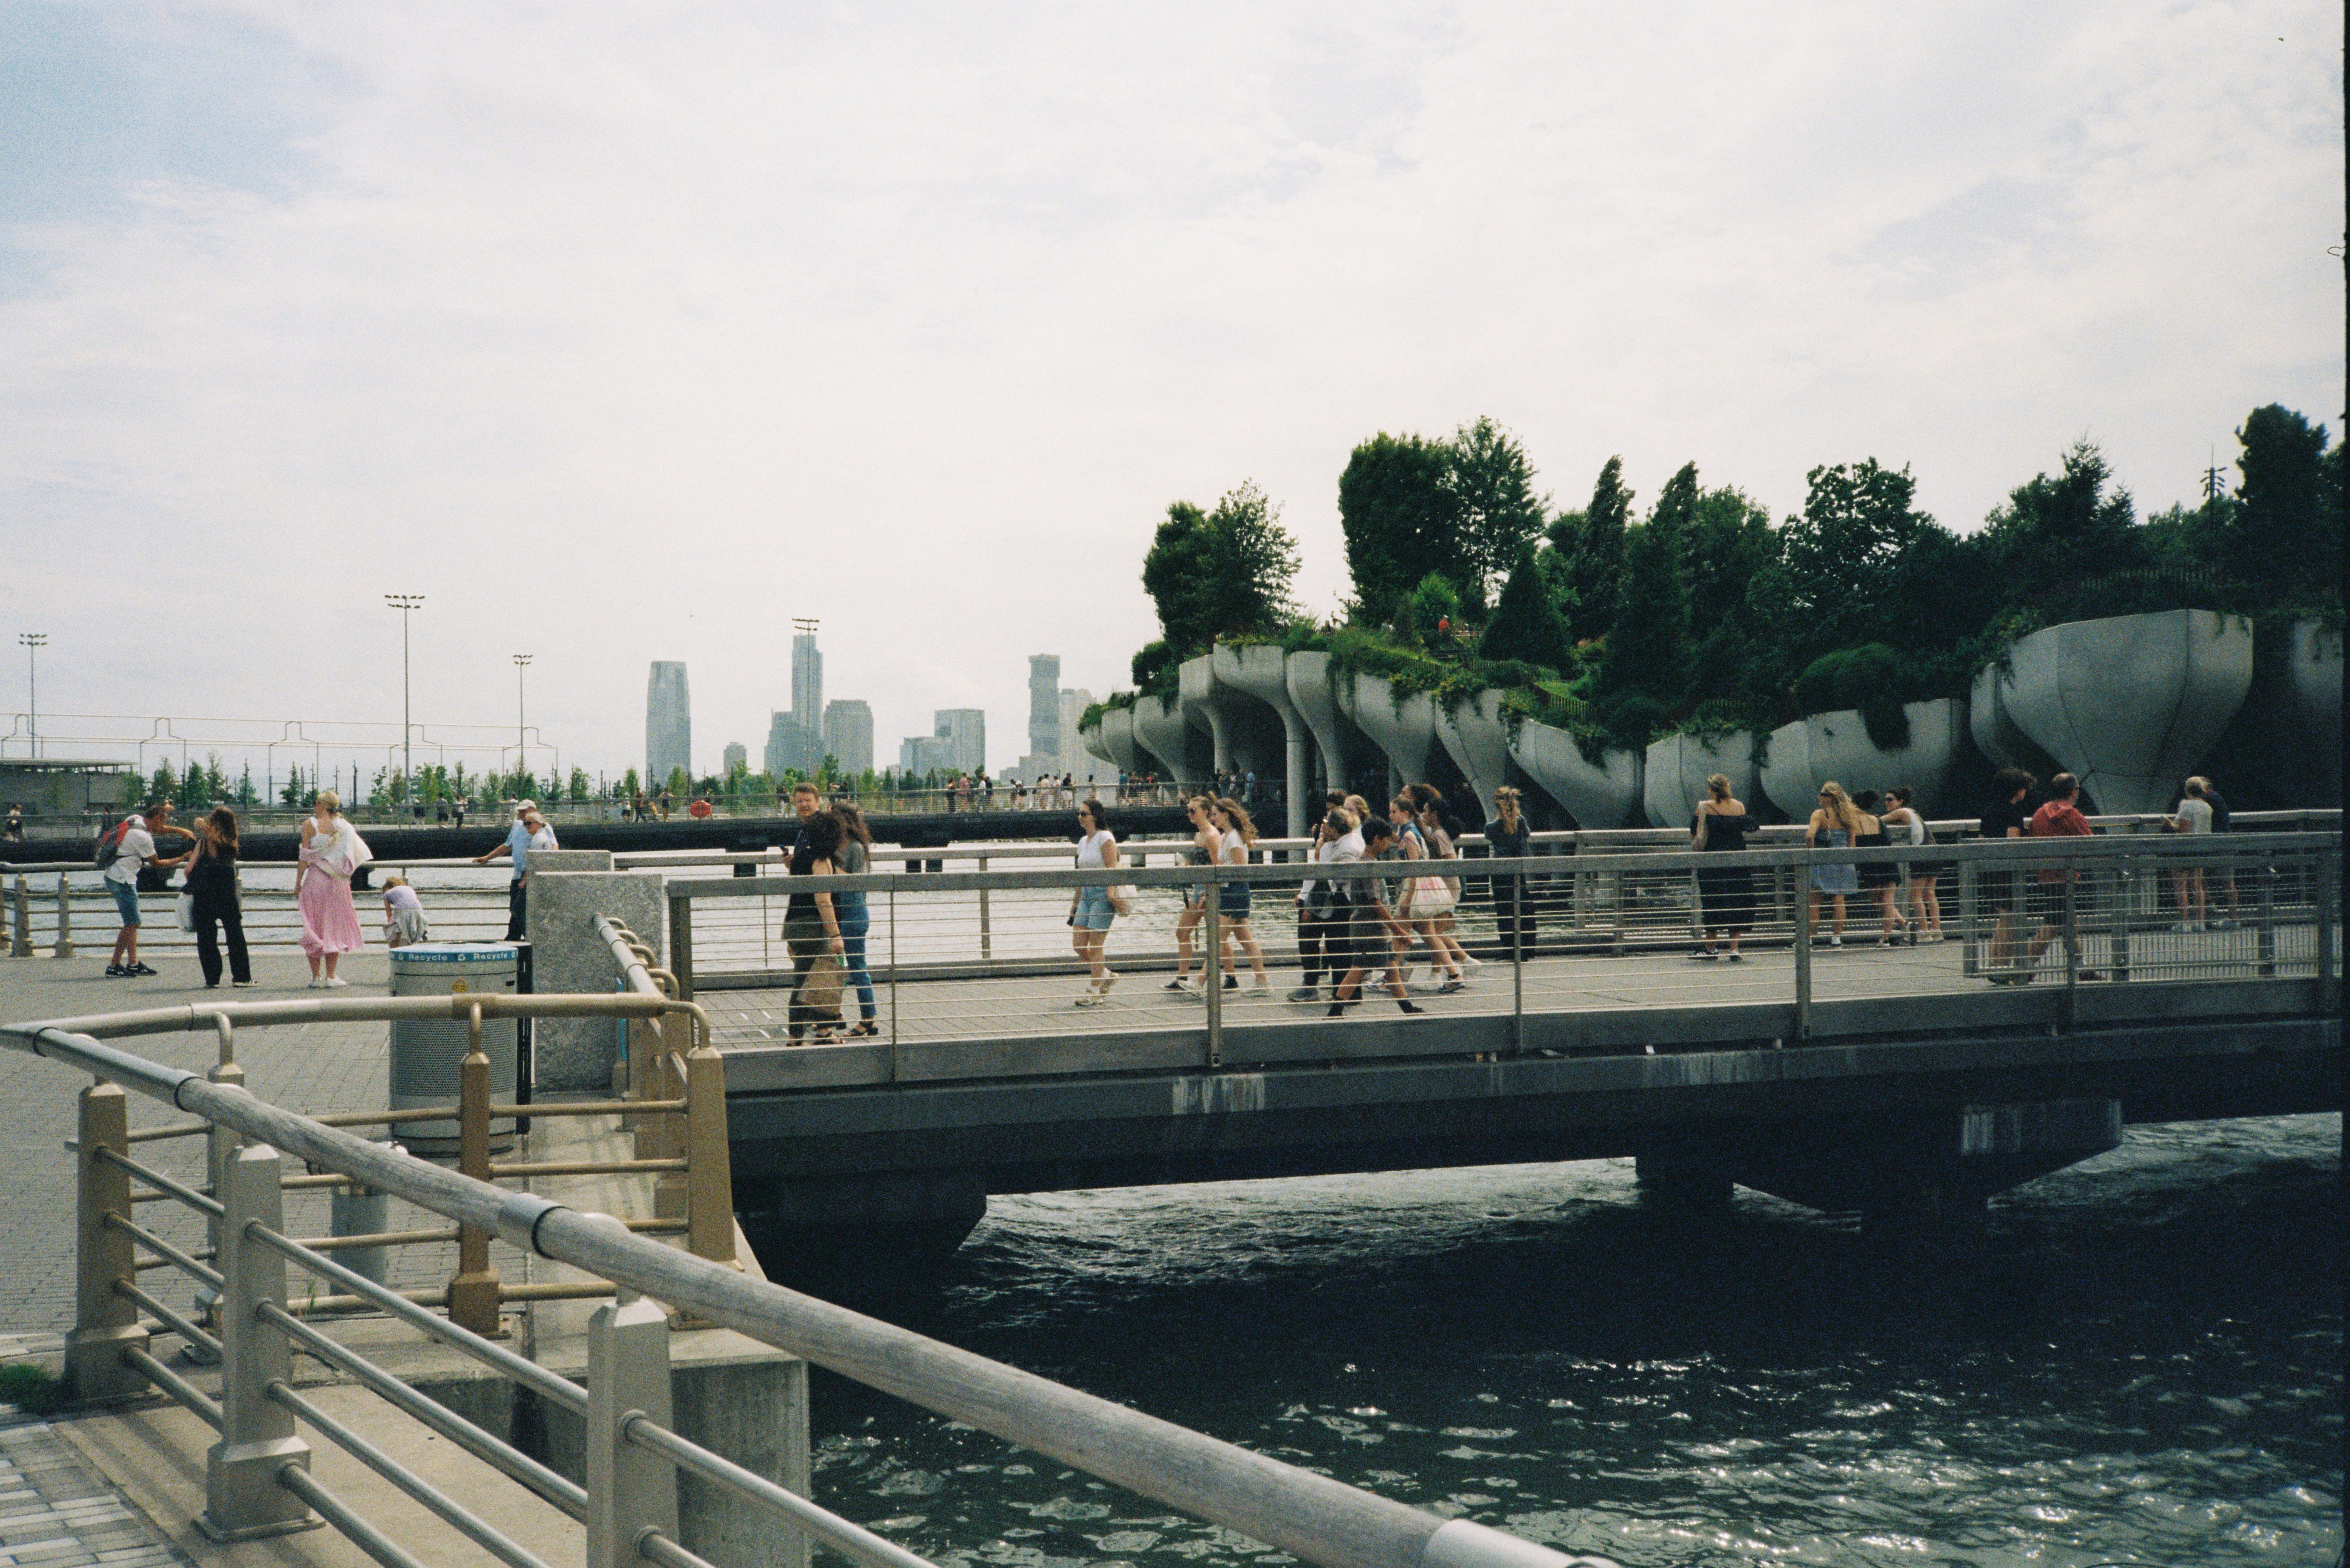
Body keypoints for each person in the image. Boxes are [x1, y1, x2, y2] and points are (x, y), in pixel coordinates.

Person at [1326, 817, 1424, 1016]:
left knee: (1390, 968)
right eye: (1386, 840)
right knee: (1360, 969)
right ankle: (1335, 1011)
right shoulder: (1368, 866)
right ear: (1377, 839)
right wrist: (1398, 931)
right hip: (1370, 928)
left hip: (1374, 929)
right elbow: (1376, 903)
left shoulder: (1368, 862)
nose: (1388, 844)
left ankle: (1408, 1008)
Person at [2021, 772, 2101, 981]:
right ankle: (2025, 965)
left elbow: (2032, 841)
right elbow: (2091, 843)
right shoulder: (2073, 815)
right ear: (2073, 792)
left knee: (2068, 921)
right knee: (2054, 923)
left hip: (2045, 875)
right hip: (2066, 876)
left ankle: (2081, 967)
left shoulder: (2039, 814)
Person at [781, 806, 847, 1042]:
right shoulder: (820, 861)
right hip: (814, 927)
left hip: (796, 924)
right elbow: (823, 900)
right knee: (814, 980)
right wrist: (836, 936)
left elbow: (795, 895)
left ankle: (820, 1031)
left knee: (810, 977)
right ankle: (798, 1037)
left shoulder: (800, 859)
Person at [295, 791, 369, 987]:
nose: (314, 806)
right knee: (333, 926)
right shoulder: (345, 827)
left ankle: (315, 978)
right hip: (336, 882)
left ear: (321, 805)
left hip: (315, 880)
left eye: (316, 803)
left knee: (313, 926)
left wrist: (298, 883)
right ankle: (331, 977)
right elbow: (353, 856)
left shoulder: (309, 825)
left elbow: (304, 857)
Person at [1407, 786, 1472, 989]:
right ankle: (1459, 965)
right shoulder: (1435, 833)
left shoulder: (1440, 835)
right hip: (1443, 889)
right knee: (1433, 932)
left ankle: (1453, 969)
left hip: (1447, 889)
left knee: (1433, 933)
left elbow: (1450, 861)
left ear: (1434, 815)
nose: (1423, 814)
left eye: (1426, 811)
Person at [1208, 797, 1272, 993]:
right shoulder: (1226, 836)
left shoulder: (1234, 838)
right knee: (1246, 941)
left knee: (1217, 939)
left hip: (1235, 892)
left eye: (1216, 815)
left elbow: (1240, 869)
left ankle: (1200, 981)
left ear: (1226, 815)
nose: (1213, 819)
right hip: (1228, 891)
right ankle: (1263, 983)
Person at [184, 806, 253, 987]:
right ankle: (241, 977)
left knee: (206, 936)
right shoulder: (231, 842)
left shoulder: (204, 843)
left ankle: (212, 978)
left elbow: (189, 870)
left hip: (203, 892)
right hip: (226, 891)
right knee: (234, 933)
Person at [1689, 774, 1754, 961]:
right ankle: (1734, 949)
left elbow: (1695, 833)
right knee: (1737, 901)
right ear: (1728, 788)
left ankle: (1711, 948)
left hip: (1712, 863)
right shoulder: (1739, 807)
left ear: (1711, 789)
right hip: (1738, 862)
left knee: (1713, 902)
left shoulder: (1705, 807)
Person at [1978, 768, 2035, 976]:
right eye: (2024, 788)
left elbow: (1982, 841)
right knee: (2011, 921)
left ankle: (1995, 963)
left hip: (1990, 870)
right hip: (2008, 872)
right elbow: (2012, 843)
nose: (2025, 792)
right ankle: (2001, 966)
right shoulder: (2013, 813)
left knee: (2004, 919)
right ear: (2017, 791)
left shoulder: (1990, 810)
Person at [474, 801, 557, 942]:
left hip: (529, 876)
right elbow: (507, 846)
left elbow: (554, 847)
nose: (521, 814)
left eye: (524, 811)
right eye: (519, 812)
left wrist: (548, 866)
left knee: (520, 909)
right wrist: (488, 858)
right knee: (515, 910)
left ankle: (532, 941)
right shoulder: (519, 825)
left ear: (533, 811)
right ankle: (515, 940)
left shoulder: (543, 827)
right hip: (518, 875)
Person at [1068, 798, 1123, 1006]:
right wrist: (1075, 901)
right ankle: (1106, 975)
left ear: (1095, 816)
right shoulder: (1083, 842)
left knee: (1096, 945)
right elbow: (1080, 874)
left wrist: (1111, 893)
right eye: (1079, 814)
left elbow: (1112, 867)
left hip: (1102, 894)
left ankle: (1095, 991)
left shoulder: (1105, 838)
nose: (1081, 818)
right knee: (1079, 945)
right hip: (1086, 895)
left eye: (1085, 814)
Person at [832, 801, 880, 1034]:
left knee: (858, 967)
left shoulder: (856, 848)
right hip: (839, 914)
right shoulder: (833, 846)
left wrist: (833, 871)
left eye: (837, 819)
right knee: (838, 966)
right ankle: (832, 1013)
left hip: (854, 913)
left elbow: (859, 883)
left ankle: (869, 1018)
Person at [1163, 796, 1220, 992]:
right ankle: (1182, 977)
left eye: (1193, 810)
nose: (1189, 814)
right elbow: (1200, 865)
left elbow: (1217, 866)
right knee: (1184, 932)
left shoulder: (1212, 836)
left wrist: (1208, 893)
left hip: (1207, 891)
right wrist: (1186, 865)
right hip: (1197, 889)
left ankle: (1231, 976)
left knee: (1217, 935)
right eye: (1188, 810)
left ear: (1206, 812)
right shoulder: (1199, 836)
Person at [1291, 810, 1345, 1002]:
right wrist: (1303, 894)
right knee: (1313, 942)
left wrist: (1308, 904)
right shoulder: (1326, 845)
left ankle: (1313, 985)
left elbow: (1320, 880)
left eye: (1325, 824)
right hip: (1314, 898)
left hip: (1320, 901)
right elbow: (1312, 877)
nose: (1321, 826)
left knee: (1310, 941)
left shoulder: (1331, 848)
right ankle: (1318, 983)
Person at [101, 811, 161, 978]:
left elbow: (158, 829)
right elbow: (156, 863)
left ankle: (133, 964)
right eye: (162, 823)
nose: (162, 828)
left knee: (131, 923)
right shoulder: (142, 837)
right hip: (123, 879)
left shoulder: (134, 819)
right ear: (156, 819)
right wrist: (183, 858)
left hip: (116, 874)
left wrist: (179, 831)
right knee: (133, 923)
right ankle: (113, 966)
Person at [1482, 786, 1534, 964]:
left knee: (1504, 912)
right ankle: (1526, 949)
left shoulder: (1492, 827)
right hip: (1518, 871)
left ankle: (1508, 949)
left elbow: (1489, 835)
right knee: (1522, 909)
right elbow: (1526, 835)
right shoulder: (1521, 822)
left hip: (1500, 872)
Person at [1807, 782, 1861, 947]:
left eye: (1822, 794)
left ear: (1829, 797)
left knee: (1815, 900)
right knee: (1839, 899)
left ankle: (1808, 938)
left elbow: (1810, 836)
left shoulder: (1820, 814)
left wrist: (1812, 854)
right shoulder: (1849, 814)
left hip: (1824, 857)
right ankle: (1837, 937)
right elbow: (1852, 841)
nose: (1820, 797)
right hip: (1844, 858)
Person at [1885, 786, 1941, 941]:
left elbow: (1879, 822)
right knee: (1930, 894)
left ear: (1900, 801)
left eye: (1890, 799)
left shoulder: (1902, 812)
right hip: (1934, 852)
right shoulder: (1913, 812)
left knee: (1915, 895)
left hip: (1922, 855)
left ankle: (1923, 931)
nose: (1887, 803)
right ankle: (1936, 930)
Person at [1851, 790, 1902, 946]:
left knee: (1879, 902)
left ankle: (1886, 937)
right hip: (1887, 863)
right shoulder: (1877, 820)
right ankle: (1901, 922)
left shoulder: (1852, 823)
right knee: (1887, 901)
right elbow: (1887, 840)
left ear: (1854, 804)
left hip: (1870, 868)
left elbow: (1852, 846)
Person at [2165, 778, 2213, 932]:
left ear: (2187, 791)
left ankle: (2185, 922)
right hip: (2201, 849)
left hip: (2184, 849)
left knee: (2181, 886)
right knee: (2198, 887)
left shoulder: (2188, 807)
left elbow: (2182, 829)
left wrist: (2169, 823)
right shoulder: (2207, 807)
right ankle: (2200, 921)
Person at [381, 873, 430, 949]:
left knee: (396, 930)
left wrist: (390, 922)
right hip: (418, 909)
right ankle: (413, 945)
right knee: (412, 930)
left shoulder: (386, 894)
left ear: (388, 888)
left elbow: (389, 913)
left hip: (403, 909)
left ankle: (394, 948)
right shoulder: (409, 888)